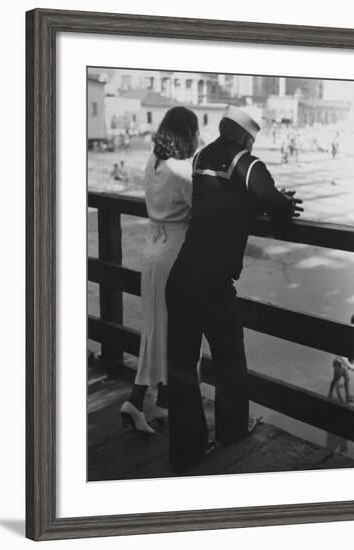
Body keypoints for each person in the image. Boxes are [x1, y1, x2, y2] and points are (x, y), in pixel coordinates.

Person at [165, 105, 303, 473]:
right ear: (246, 137)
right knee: (229, 361)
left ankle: (187, 449)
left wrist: (260, 199)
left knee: (180, 367)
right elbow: (277, 206)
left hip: (180, 278)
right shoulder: (249, 164)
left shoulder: (201, 158)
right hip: (213, 284)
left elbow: (221, 200)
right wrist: (280, 201)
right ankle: (232, 433)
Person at [119, 106, 199, 435]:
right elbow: (203, 209)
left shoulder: (154, 164)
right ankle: (141, 401)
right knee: (178, 333)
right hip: (175, 253)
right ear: (187, 134)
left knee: (154, 328)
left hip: (151, 250)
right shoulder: (183, 171)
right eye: (195, 132)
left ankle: (157, 403)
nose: (199, 138)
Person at [328, 314, 354, 404]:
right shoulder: (350, 333)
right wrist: (350, 365)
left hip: (341, 363)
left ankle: (347, 397)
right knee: (336, 379)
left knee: (346, 378)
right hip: (338, 363)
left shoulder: (349, 332)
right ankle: (330, 394)